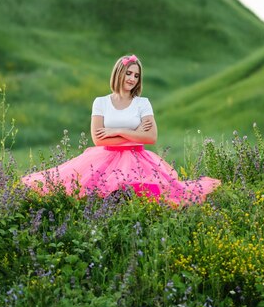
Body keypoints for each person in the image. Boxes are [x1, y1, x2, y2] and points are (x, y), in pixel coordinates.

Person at [21, 54, 220, 204]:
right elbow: (99, 140)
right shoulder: (101, 102)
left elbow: (151, 137)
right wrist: (135, 133)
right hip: (105, 158)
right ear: (119, 73)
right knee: (87, 192)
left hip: (138, 158)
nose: (132, 78)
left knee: (154, 194)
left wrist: (119, 131)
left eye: (136, 75)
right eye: (129, 73)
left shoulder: (143, 103)